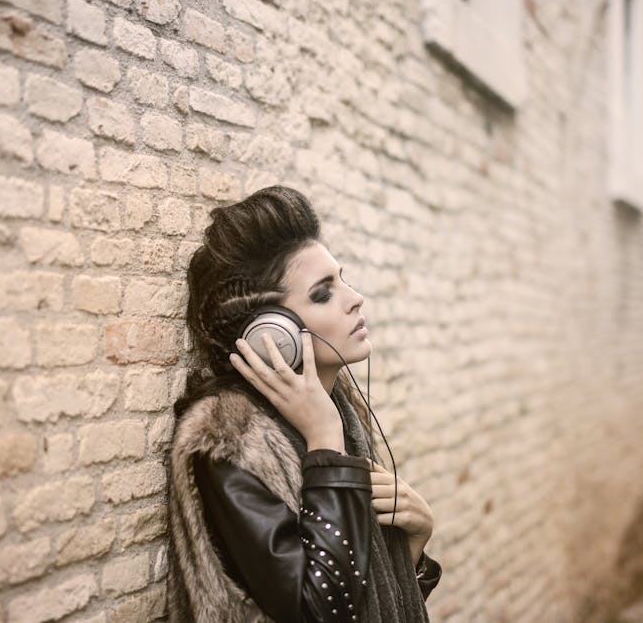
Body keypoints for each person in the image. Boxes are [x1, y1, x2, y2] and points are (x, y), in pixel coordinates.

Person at [167, 186, 442, 622]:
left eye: (342, 279)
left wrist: (414, 545)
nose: (355, 298)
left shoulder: (338, 412)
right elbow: (320, 611)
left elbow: (365, 594)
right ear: (271, 333)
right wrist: (324, 443)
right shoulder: (230, 446)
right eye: (322, 293)